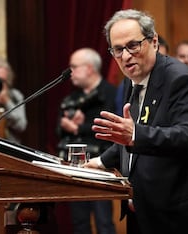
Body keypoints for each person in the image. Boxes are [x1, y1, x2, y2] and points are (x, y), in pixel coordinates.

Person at [84, 9, 188, 234]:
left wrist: (134, 134)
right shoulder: (131, 79)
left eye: (133, 45)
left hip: (178, 215)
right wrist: (99, 162)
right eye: (118, 50)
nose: (125, 56)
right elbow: (133, 140)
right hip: (143, 210)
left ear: (154, 41)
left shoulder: (180, 79)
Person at [56, 48, 116, 234]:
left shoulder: (111, 94)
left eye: (74, 67)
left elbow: (111, 129)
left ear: (89, 68)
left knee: (104, 222)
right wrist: (65, 126)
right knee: (79, 222)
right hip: (73, 167)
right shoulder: (71, 98)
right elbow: (58, 130)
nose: (70, 71)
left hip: (100, 166)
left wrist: (79, 128)